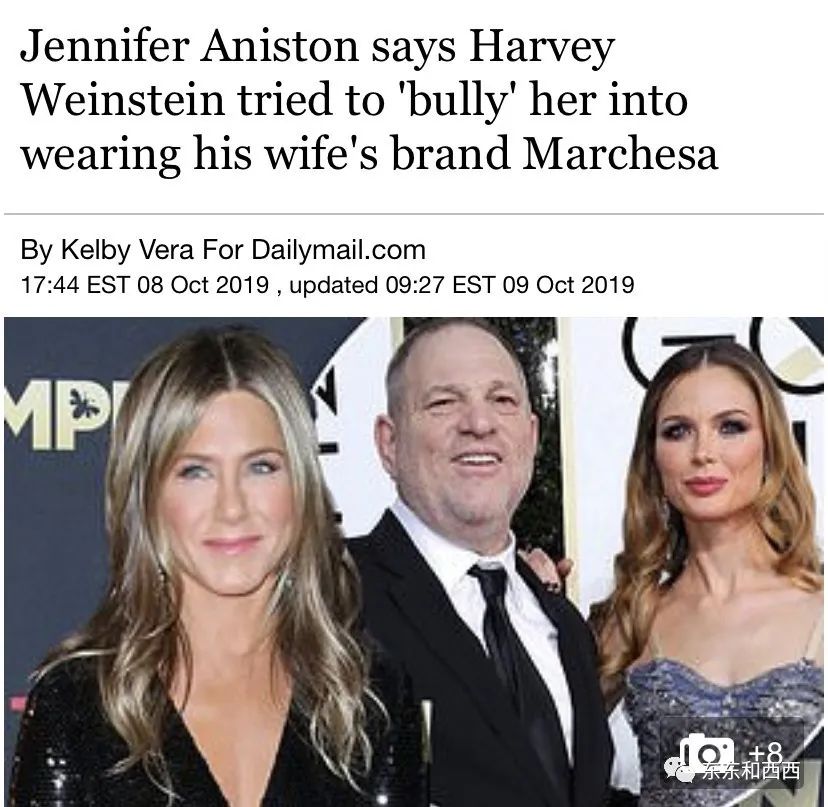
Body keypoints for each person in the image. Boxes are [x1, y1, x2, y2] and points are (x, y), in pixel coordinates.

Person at [10, 327, 425, 807]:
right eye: (195, 471)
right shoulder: (77, 706)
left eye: (261, 467)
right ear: (146, 496)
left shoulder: (371, 698)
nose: (232, 508)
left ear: (302, 485)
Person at [349, 319, 613, 807]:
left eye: (502, 400)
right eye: (443, 402)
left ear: (531, 436)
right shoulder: (331, 598)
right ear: (389, 443)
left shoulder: (565, 627)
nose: (479, 423)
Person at [588, 340, 823, 806]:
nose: (703, 453)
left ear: (771, 446)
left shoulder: (820, 609)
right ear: (653, 457)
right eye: (678, 431)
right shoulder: (632, 619)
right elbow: (547, 767)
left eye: (731, 427)